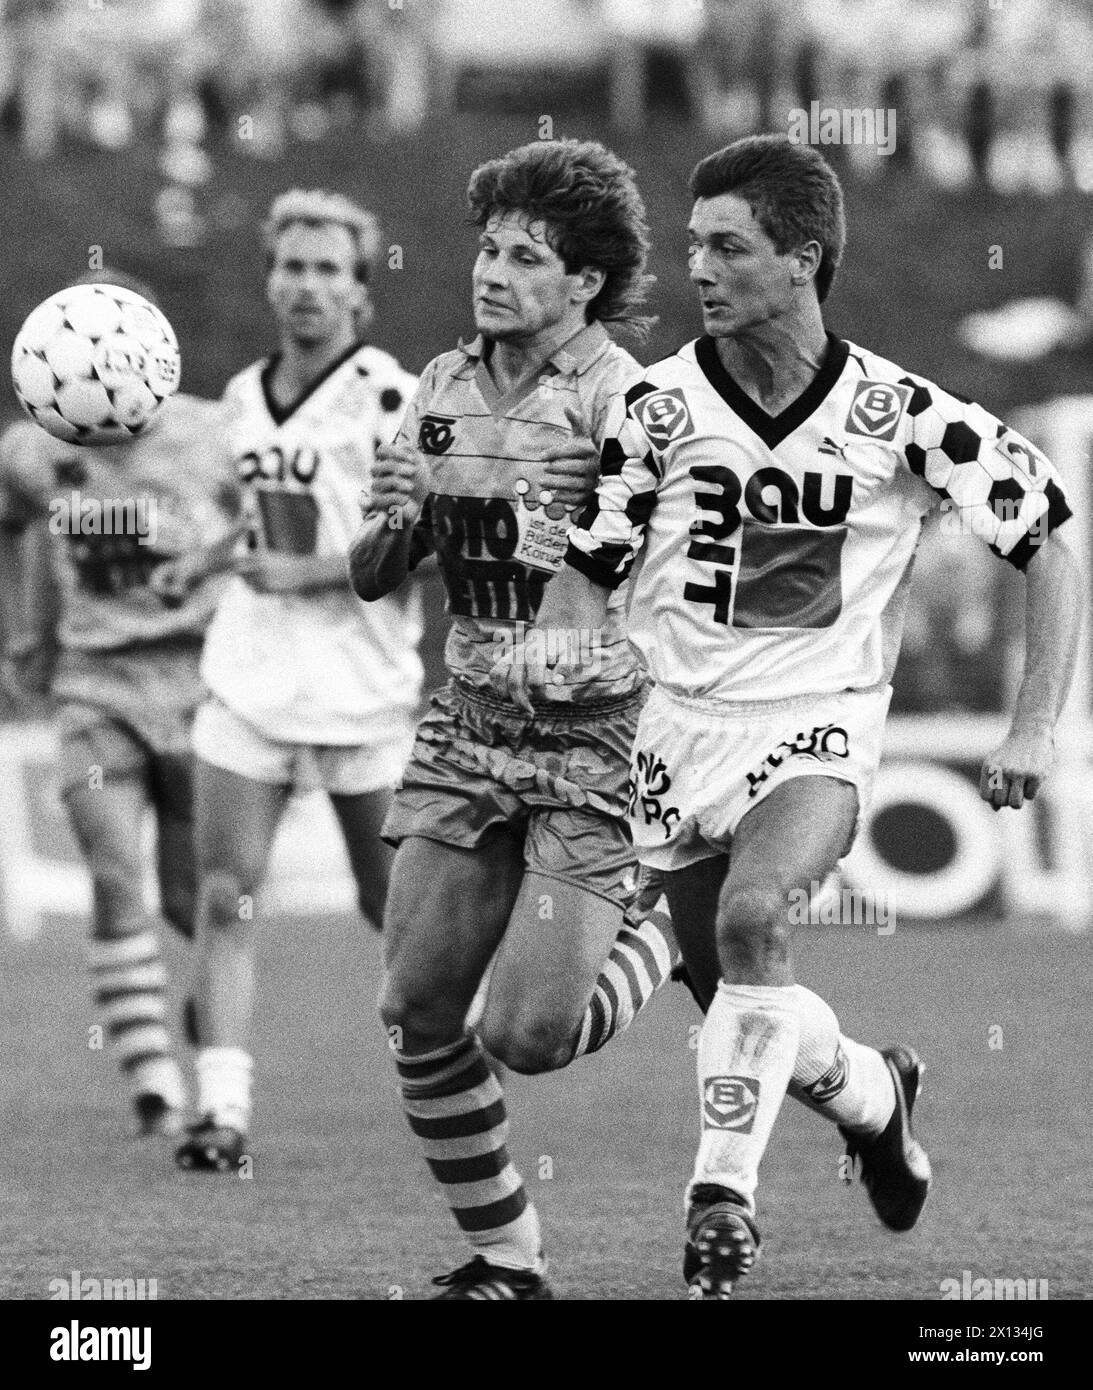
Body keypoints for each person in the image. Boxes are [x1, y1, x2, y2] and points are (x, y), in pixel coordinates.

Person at [531, 134, 1081, 1298]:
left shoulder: (905, 414)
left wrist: (1035, 724)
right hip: (673, 734)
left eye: (728, 246)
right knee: (747, 991)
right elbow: (587, 563)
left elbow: (1050, 544)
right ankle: (877, 1098)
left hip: (817, 725)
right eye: (693, 247)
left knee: (752, 916)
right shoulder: (656, 411)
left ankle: (718, 1202)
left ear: (803, 259)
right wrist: (565, 649)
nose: (700, 269)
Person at [348, 139, 677, 1300]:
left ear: (583, 283)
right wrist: (393, 521)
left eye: (526, 257)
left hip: (594, 737)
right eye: (488, 248)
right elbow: (373, 573)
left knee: (528, 1036)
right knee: (415, 1010)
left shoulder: (630, 403)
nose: (491, 271)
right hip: (467, 722)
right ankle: (509, 1259)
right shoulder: (436, 386)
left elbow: (671, 577)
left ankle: (667, 930)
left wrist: (590, 562)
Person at [159, 189, 424, 1172]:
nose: (306, 285)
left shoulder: (394, 398)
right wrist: (205, 560)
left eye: (328, 270)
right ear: (270, 276)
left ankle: (453, 1063)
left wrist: (312, 573)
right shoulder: (239, 396)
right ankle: (219, 1114)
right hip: (250, 679)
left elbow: (432, 545)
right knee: (224, 897)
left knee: (389, 903)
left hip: (361, 691)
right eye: (292, 265)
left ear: (359, 293)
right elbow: (262, 517)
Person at [0, 269, 233, 1137]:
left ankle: (211, 1023)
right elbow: (22, 521)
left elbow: (270, 526)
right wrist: (31, 631)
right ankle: (155, 1087)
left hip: (202, 687)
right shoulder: (33, 451)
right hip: (95, 687)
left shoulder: (216, 434)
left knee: (191, 899)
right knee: (109, 872)